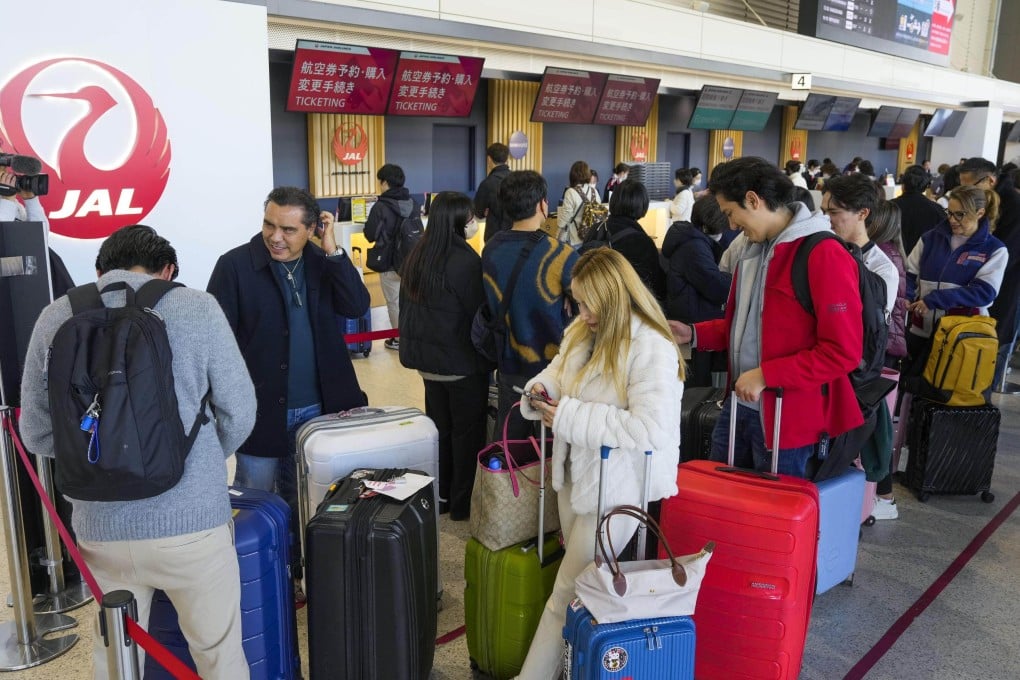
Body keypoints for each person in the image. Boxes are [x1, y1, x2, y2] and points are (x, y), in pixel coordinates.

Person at [20, 225, 256, 679]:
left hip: (100, 528)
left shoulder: (55, 317)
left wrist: (100, 464)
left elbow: (36, 434)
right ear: (168, 272)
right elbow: (240, 412)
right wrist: (193, 460)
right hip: (192, 523)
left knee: (115, 657)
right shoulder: (195, 307)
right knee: (218, 653)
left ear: (99, 271)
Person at [514, 248, 684, 679]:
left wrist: (568, 415)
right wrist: (539, 392)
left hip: (619, 487)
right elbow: (556, 374)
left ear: (613, 297)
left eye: (589, 303)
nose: (581, 312)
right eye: (578, 302)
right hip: (578, 475)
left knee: (565, 592)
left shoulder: (651, 346)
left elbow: (651, 427)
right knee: (581, 592)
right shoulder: (582, 332)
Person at [670, 157, 864, 478]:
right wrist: (693, 333)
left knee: (769, 515)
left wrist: (766, 376)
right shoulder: (753, 249)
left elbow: (842, 352)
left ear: (753, 200)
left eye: (731, 213)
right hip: (740, 404)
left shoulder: (823, 254)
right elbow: (750, 327)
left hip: (788, 420)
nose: (730, 226)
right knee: (723, 497)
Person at [207, 186, 370, 558]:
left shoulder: (322, 260)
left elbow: (356, 304)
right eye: (269, 224)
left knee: (314, 498)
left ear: (313, 228)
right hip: (261, 409)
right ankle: (259, 572)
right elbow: (216, 343)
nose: (275, 237)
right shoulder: (234, 266)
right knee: (256, 503)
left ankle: (306, 569)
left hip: (323, 407)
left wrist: (334, 253)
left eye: (289, 230)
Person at [398, 192, 489, 520]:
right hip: (461, 366)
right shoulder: (466, 261)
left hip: (429, 366)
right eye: (469, 218)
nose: (473, 223)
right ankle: (462, 504)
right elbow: (479, 315)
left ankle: (443, 496)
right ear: (458, 221)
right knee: (467, 436)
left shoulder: (418, 255)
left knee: (441, 431)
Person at [483, 170, 578, 440]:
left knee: (511, 448)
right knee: (549, 452)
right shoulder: (560, 254)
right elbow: (587, 305)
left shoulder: (490, 249)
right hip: (552, 371)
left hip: (508, 366)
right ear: (542, 204)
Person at [903, 184, 1006, 379]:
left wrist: (935, 299)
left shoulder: (995, 249)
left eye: (960, 214)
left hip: (960, 336)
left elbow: (984, 293)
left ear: (980, 213)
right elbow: (909, 274)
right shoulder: (930, 238)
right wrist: (907, 296)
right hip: (921, 330)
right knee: (911, 389)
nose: (952, 220)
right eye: (949, 213)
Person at [959, 158, 1020, 388]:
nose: (965, 191)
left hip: (1000, 290)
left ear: (990, 180)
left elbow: (1007, 257)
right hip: (971, 288)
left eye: (969, 185)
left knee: (989, 349)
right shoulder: (975, 201)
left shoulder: (1014, 207)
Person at [865, 200, 908, 520]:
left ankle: (883, 496)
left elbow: (877, 314)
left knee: (875, 424)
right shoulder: (887, 253)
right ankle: (880, 494)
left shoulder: (883, 260)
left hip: (880, 350)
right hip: (884, 347)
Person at [662, 194, 732, 386]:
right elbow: (715, 286)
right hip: (692, 322)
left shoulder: (691, 239)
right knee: (696, 384)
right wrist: (736, 278)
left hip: (689, 315)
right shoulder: (695, 246)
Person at [364, 163, 419, 348]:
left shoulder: (380, 207)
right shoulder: (413, 203)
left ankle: (398, 339)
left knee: (394, 301)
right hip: (412, 259)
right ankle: (412, 334)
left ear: (385, 182)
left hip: (388, 262)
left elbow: (370, 234)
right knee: (411, 299)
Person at [0, 169, 75, 297]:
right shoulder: (7, 201)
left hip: (14, 268)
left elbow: (40, 237)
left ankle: (61, 307)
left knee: (46, 257)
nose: (5, 172)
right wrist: (7, 201)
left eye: (5, 166)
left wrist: (31, 200)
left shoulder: (10, 200)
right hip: (4, 269)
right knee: (36, 262)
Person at [603, 179, 666, 301]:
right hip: (626, 309)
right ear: (641, 205)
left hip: (595, 304)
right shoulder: (641, 242)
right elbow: (655, 286)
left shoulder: (596, 229)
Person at [892, 165, 946, 255]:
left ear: (903, 185)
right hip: (924, 258)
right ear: (925, 186)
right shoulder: (937, 209)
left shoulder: (890, 207)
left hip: (892, 258)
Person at [557, 160, 598, 247]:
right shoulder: (594, 191)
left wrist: (557, 232)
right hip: (591, 237)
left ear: (573, 175)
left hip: (575, 237)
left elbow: (566, 216)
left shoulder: (571, 192)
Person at [476, 143, 511, 242]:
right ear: (507, 159)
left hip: (495, 236)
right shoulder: (518, 180)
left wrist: (487, 211)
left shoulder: (487, 183)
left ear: (489, 159)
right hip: (517, 236)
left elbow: (478, 212)